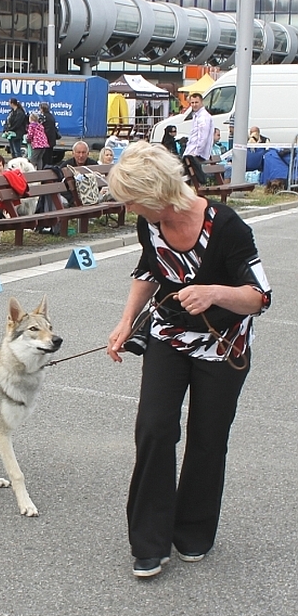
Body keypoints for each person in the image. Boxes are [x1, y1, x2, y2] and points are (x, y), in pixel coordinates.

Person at [104, 141, 271, 579]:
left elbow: (259, 296)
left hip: (223, 344)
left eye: (133, 201)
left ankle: (193, 531)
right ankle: (149, 542)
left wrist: (214, 292)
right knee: (154, 428)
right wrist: (125, 322)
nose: (130, 209)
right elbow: (148, 270)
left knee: (207, 438)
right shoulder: (152, 225)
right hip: (169, 336)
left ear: (158, 193)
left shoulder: (227, 226)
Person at [182, 92, 214, 161]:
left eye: (196, 102)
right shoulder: (197, 115)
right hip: (191, 152)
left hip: (196, 155)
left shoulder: (203, 117)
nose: (194, 105)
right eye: (192, 103)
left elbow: (203, 137)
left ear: (202, 102)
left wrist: (196, 153)